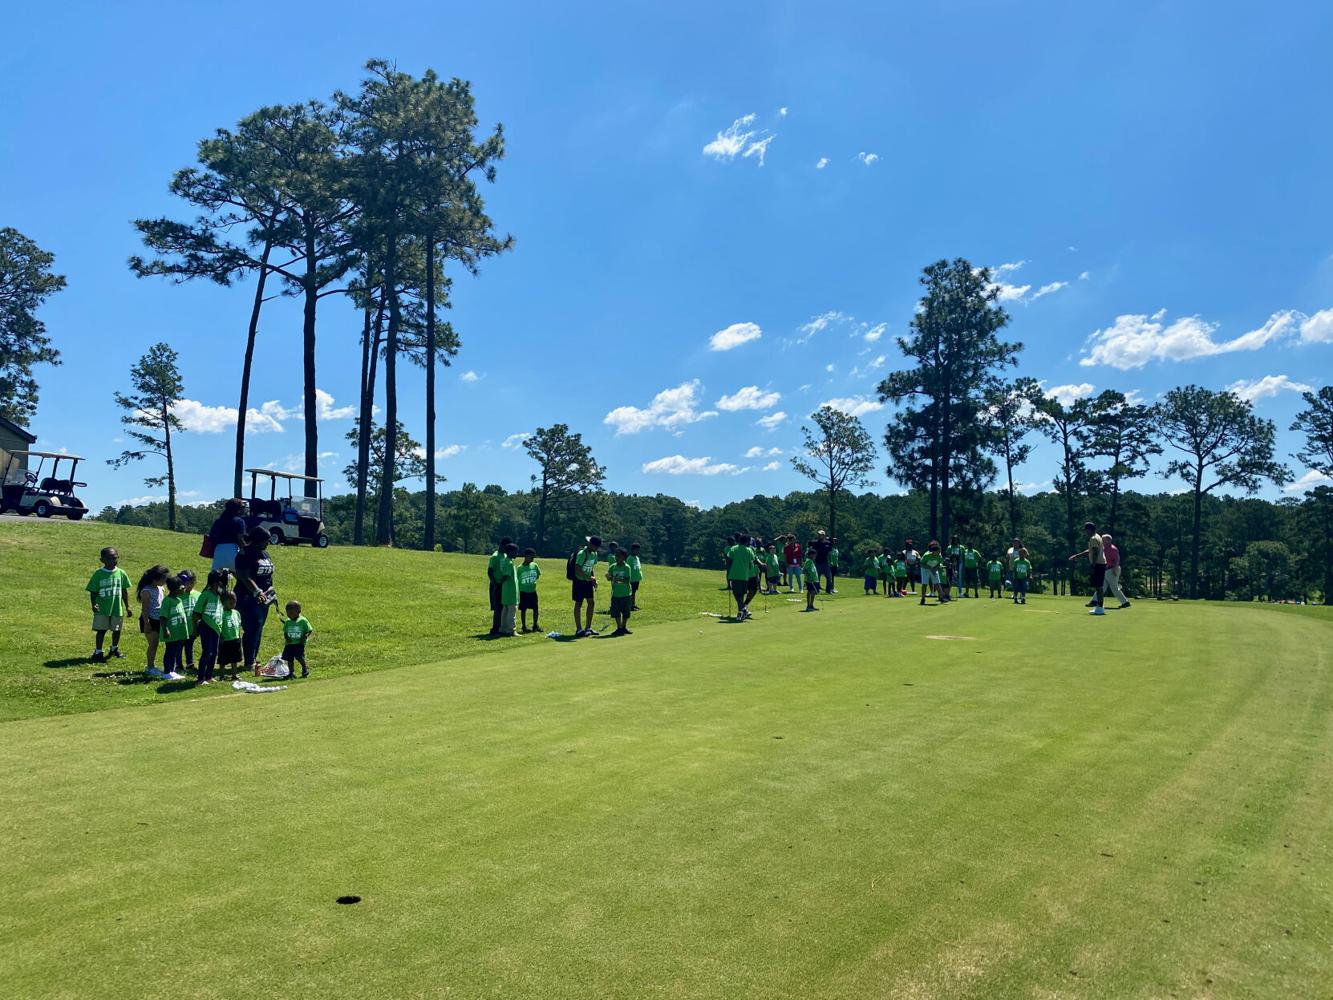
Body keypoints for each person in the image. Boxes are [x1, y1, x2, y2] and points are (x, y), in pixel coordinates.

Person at [235, 526, 276, 669]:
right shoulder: (244, 554)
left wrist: (271, 592)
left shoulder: (265, 554)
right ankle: (248, 661)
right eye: (267, 540)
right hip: (247, 597)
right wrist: (257, 591)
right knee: (252, 628)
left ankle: (253, 658)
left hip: (264, 598)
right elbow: (244, 576)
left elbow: (268, 576)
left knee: (258, 628)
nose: (269, 543)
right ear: (258, 540)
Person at [86, 546, 132, 663]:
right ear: (102, 560)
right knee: (101, 630)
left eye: (115, 558)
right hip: (102, 608)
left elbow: (124, 590)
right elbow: (93, 591)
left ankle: (114, 649)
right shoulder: (98, 574)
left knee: (117, 630)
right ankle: (98, 652)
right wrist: (94, 604)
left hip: (117, 607)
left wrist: (127, 606)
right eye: (109, 559)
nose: (113, 561)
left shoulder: (121, 573)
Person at [192, 569, 231, 685]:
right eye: (220, 584)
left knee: (214, 652)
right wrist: (195, 629)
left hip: (216, 628)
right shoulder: (206, 595)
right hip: (206, 627)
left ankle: (209, 676)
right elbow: (196, 613)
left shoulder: (219, 597)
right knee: (207, 652)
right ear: (214, 584)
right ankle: (200, 678)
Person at [137, 564, 170, 679]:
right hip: (150, 620)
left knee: (157, 644)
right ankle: (150, 667)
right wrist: (147, 624)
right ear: (155, 579)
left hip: (158, 619)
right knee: (153, 644)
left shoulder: (161, 588)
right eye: (163, 579)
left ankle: (153, 666)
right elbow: (145, 609)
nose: (165, 582)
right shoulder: (146, 591)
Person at [1069, 521, 1108, 616]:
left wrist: (1093, 565)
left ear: (1090, 530)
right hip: (1100, 563)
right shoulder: (1096, 537)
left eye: (1086, 530)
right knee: (1098, 586)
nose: (1085, 532)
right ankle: (1099, 607)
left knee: (1098, 586)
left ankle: (1100, 608)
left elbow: (1095, 552)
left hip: (1098, 564)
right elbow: (1090, 551)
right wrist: (1077, 555)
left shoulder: (1093, 538)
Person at [158, 575, 190, 681]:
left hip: (178, 632)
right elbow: (163, 617)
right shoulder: (167, 601)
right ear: (176, 589)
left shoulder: (179, 600)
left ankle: (172, 671)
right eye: (182, 586)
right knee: (170, 651)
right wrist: (166, 629)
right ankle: (167, 672)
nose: (184, 588)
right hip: (171, 632)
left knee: (176, 651)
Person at [571, 535, 601, 637]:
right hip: (579, 581)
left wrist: (593, 579)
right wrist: (589, 578)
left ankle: (588, 628)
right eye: (596, 546)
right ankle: (579, 629)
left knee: (591, 603)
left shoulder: (594, 554)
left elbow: (591, 567)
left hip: (588, 582)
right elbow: (577, 569)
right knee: (578, 604)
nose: (597, 548)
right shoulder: (582, 553)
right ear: (591, 544)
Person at [207, 499, 248, 572]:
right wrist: (248, 551)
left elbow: (212, 536)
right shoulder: (239, 521)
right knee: (242, 577)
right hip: (233, 550)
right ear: (237, 509)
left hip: (218, 550)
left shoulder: (218, 521)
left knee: (214, 578)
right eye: (243, 507)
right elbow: (240, 540)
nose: (244, 509)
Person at [725, 532, 756, 620]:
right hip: (745, 576)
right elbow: (751, 563)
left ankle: (742, 610)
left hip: (735, 575)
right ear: (746, 542)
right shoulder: (749, 550)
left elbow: (729, 560)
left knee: (737, 594)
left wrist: (729, 571)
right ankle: (741, 612)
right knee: (741, 594)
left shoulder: (733, 548)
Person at [486, 536, 513, 637]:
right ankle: (495, 628)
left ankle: (502, 627)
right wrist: (495, 584)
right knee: (497, 608)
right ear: (502, 545)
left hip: (504, 585)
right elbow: (490, 571)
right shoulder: (495, 556)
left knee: (503, 607)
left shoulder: (506, 556)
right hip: (496, 585)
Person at [606, 548, 635, 636]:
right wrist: (607, 576)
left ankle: (624, 627)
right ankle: (619, 628)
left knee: (626, 612)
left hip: (626, 594)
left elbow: (627, 580)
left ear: (624, 557)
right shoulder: (613, 566)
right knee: (616, 612)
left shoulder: (627, 567)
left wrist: (615, 578)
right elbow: (609, 575)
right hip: (615, 594)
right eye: (616, 555)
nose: (616, 557)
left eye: (618, 556)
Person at [281, 600, 314, 677]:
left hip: (299, 643)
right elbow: (285, 631)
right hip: (289, 643)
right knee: (289, 659)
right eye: (288, 613)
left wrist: (305, 637)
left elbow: (309, 630)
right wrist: (286, 638)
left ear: (299, 611)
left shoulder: (303, 620)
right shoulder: (288, 621)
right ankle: (291, 673)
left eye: (291, 613)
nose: (289, 615)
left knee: (299, 657)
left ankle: (305, 668)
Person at [217, 591, 243, 680]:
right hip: (225, 640)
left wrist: (239, 636)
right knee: (223, 659)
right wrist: (221, 637)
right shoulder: (221, 613)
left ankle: (234, 675)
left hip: (235, 639)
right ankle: (222, 676)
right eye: (230, 603)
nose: (233, 604)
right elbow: (219, 626)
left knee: (235, 659)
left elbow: (238, 625)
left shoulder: (236, 613)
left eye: (234, 602)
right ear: (223, 603)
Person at [177, 569, 199, 673]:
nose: (189, 586)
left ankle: (190, 663)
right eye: (187, 583)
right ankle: (178, 664)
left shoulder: (197, 595)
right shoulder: (178, 595)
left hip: (192, 626)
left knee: (189, 645)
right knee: (179, 645)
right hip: (181, 626)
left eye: (191, 583)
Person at [496, 542, 519, 637]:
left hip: (506, 591)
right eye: (515, 552)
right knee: (511, 612)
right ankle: (511, 630)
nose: (516, 554)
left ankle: (503, 628)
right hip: (511, 591)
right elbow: (506, 575)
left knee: (505, 611)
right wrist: (501, 581)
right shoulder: (509, 562)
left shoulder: (506, 561)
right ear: (509, 552)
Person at [1102, 533, 1131, 609]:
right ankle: (1095, 601)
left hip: (1112, 569)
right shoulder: (1104, 548)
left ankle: (1125, 602)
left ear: (1108, 540)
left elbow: (1116, 560)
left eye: (1103, 539)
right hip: (1107, 570)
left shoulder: (1112, 548)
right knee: (1102, 587)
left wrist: (1114, 570)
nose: (1102, 541)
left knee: (1114, 588)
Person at [518, 548, 542, 633]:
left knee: (535, 608)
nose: (532, 559)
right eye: (531, 557)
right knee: (523, 609)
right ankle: (524, 626)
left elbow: (538, 575)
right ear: (526, 556)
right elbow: (517, 579)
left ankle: (535, 625)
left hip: (532, 591)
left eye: (533, 558)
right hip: (523, 592)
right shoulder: (519, 568)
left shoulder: (534, 565)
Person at [919, 542, 943, 606]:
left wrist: (935, 569)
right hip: (925, 569)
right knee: (924, 583)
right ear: (933, 551)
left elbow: (939, 564)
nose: (939, 552)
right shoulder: (926, 555)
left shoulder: (939, 556)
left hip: (934, 569)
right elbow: (921, 564)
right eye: (938, 551)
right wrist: (930, 568)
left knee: (937, 583)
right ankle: (923, 599)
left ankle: (941, 597)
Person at [628, 543, 644, 610]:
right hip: (632, 579)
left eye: (638, 550)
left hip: (636, 578)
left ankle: (633, 604)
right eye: (636, 550)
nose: (637, 552)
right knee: (631, 592)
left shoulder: (637, 558)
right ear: (632, 550)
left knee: (634, 592)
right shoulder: (630, 558)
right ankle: (630, 605)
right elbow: (628, 568)